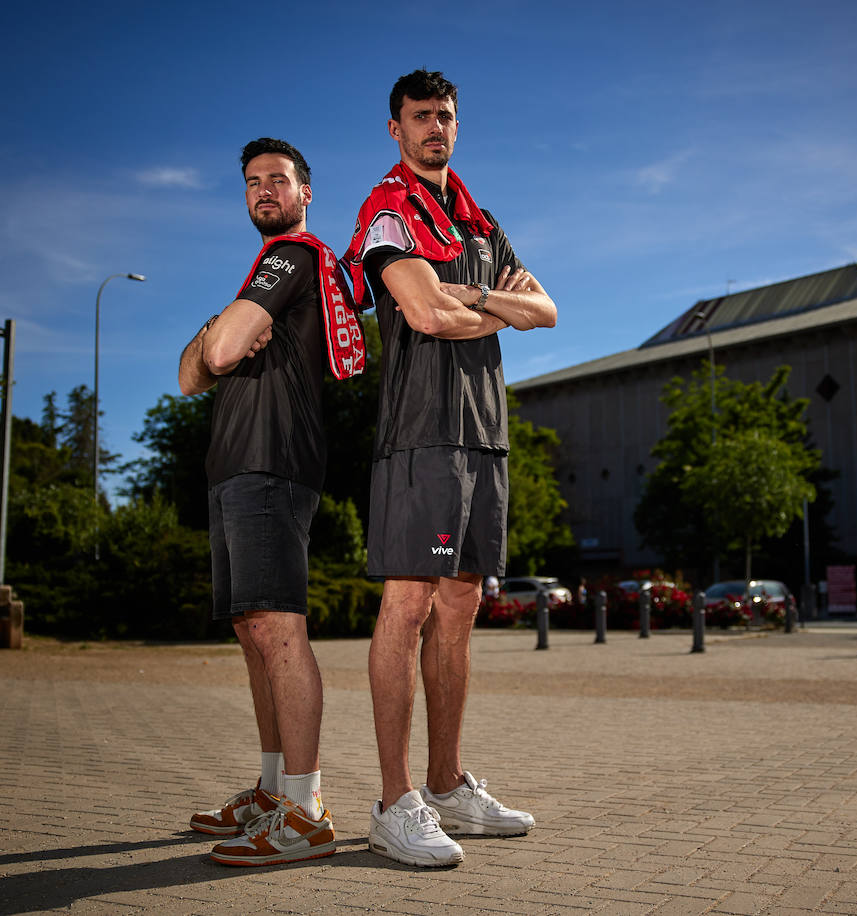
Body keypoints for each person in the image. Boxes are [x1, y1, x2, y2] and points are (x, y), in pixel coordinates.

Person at [343, 69, 557, 868]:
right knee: (407, 603)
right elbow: (425, 313)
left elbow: (549, 310)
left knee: (462, 604)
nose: (437, 126)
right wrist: (491, 304)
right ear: (394, 128)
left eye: (446, 115)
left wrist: (478, 297)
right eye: (421, 116)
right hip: (421, 432)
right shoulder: (386, 210)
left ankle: (445, 786)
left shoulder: (479, 218)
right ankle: (394, 801)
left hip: (486, 434)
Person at [178, 137, 363, 867]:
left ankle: (306, 810)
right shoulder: (260, 273)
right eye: (252, 182)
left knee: (280, 633)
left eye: (277, 180)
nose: (263, 191)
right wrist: (221, 326)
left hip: (270, 464)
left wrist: (222, 334)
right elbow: (190, 374)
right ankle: (269, 789)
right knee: (254, 635)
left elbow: (216, 358)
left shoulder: (294, 256)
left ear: (305, 193)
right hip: (233, 470)